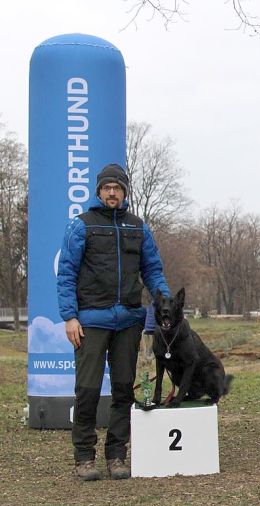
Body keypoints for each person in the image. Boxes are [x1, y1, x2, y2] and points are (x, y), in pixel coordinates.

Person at [57, 163, 170, 481]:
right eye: (106, 187)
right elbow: (66, 272)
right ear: (98, 191)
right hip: (90, 321)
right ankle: (84, 458)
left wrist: (167, 307)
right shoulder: (81, 226)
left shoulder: (139, 227)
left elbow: (153, 271)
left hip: (129, 322)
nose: (111, 192)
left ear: (124, 192)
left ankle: (117, 456)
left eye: (117, 188)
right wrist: (69, 316)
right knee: (88, 391)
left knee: (124, 391)